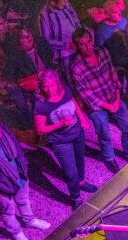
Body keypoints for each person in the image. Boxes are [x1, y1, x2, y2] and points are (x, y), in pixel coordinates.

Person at [69, 27, 128, 173]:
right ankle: (109, 157)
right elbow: (85, 94)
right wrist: (106, 105)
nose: (88, 47)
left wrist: (117, 98)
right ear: (76, 46)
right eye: (82, 44)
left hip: (113, 98)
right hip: (96, 107)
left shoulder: (102, 52)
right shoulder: (76, 66)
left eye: (89, 42)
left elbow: (113, 74)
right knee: (105, 134)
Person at [33, 69, 96, 210]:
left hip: (77, 133)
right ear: (41, 86)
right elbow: (40, 129)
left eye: (52, 85)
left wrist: (83, 120)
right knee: (70, 171)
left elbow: (73, 103)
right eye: (45, 86)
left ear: (57, 83)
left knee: (80, 161)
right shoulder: (40, 104)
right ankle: (76, 197)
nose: (49, 90)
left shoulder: (65, 90)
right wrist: (59, 124)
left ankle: (81, 182)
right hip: (61, 142)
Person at [37, 0, 83, 74]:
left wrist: (80, 33)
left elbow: (75, 18)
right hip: (64, 54)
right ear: (52, 3)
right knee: (72, 75)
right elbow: (46, 40)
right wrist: (67, 45)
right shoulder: (44, 15)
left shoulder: (65, 3)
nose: (66, 6)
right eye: (62, 5)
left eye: (66, 2)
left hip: (77, 44)